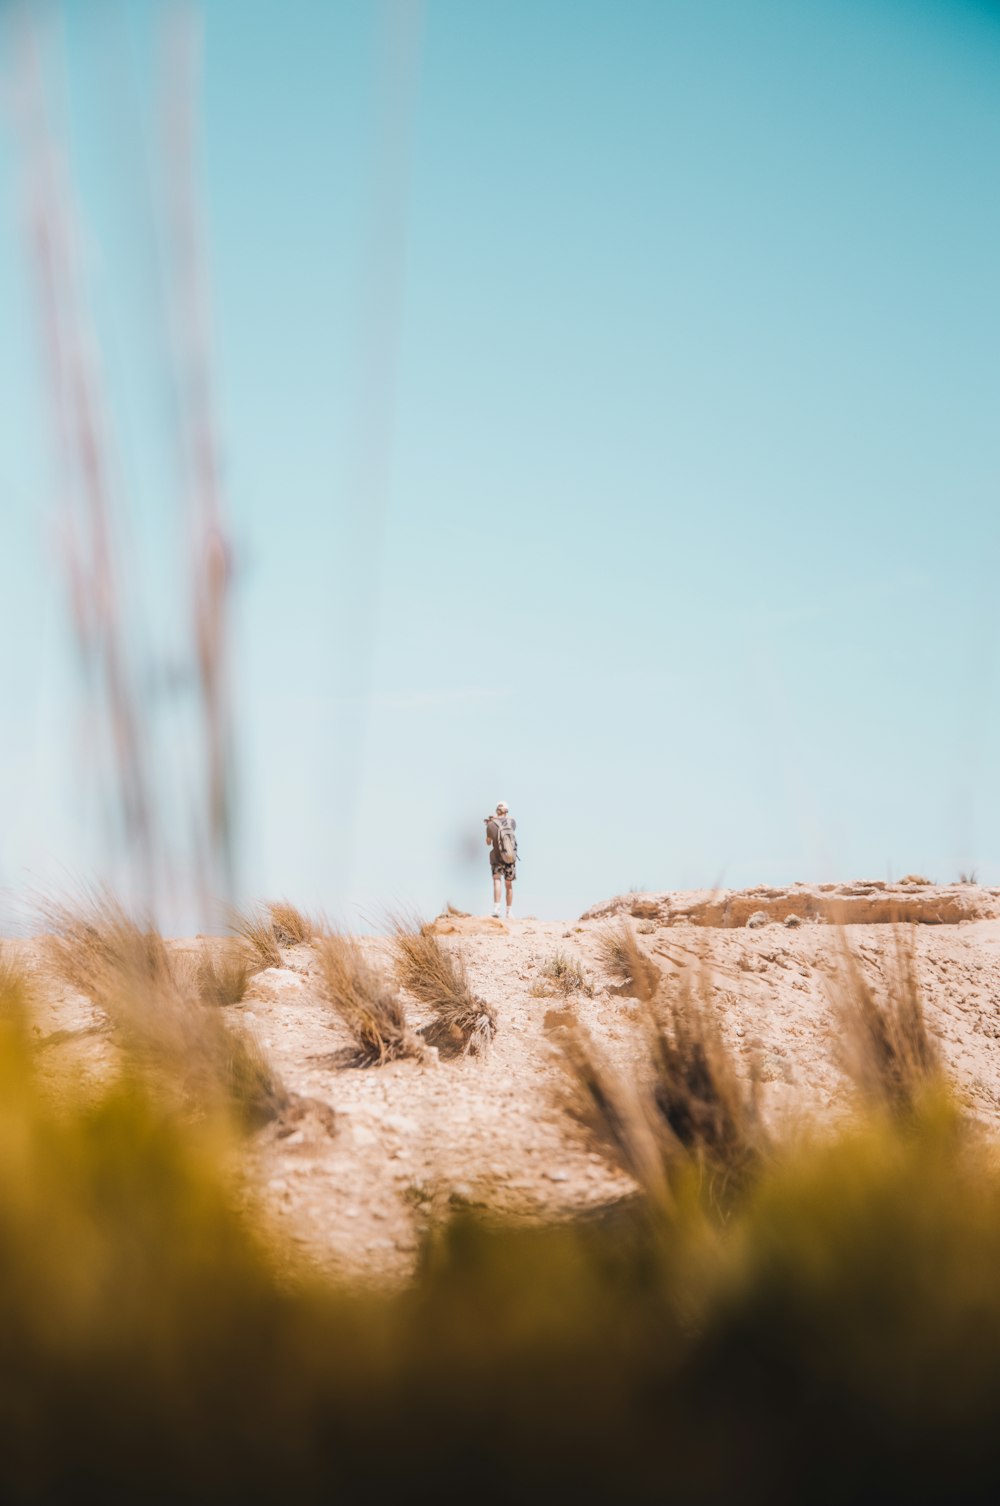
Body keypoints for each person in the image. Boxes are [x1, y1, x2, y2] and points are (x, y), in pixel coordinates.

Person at [485, 801, 517, 919]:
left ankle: (496, 909)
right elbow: (510, 820)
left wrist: (490, 822)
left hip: (497, 857)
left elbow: (488, 842)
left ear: (497, 810)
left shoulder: (491, 825)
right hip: (510, 857)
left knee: (497, 880)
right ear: (506, 811)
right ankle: (509, 912)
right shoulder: (512, 822)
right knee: (509, 884)